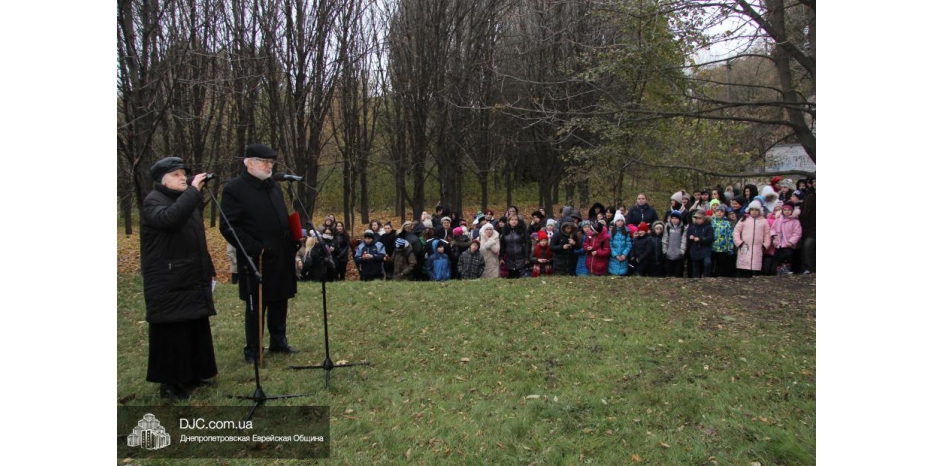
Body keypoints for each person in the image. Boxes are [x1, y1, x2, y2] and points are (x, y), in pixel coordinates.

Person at [141, 157, 217, 400]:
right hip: (168, 278)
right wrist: (194, 191)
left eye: (183, 173)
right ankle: (170, 383)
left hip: (191, 274)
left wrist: (207, 267)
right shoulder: (154, 201)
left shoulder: (186, 202)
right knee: (171, 331)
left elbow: (195, 238)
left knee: (194, 326)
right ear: (162, 180)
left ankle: (194, 372)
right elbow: (170, 220)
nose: (183, 177)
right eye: (175, 174)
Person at [220, 144, 301, 362]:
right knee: (257, 303)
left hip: (281, 252)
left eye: (271, 162)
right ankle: (253, 349)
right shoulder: (234, 189)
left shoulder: (272, 186)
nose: (269, 166)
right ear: (249, 162)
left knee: (280, 298)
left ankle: (278, 341)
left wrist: (293, 238)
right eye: (264, 161)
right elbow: (229, 226)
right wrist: (257, 248)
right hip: (257, 257)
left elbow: (281, 216)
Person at [733, 200, 772, 277]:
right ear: (749, 210)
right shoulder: (744, 219)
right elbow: (736, 231)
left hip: (758, 247)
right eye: (752, 210)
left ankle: (753, 275)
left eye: (756, 210)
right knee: (744, 264)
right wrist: (739, 242)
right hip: (744, 246)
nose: (754, 212)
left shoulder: (764, 221)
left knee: (755, 264)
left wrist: (765, 244)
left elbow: (767, 234)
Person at [686, 209, 714, 278]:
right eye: (696, 218)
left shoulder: (708, 227)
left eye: (699, 218)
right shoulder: (692, 227)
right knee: (695, 267)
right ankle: (696, 279)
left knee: (707, 263)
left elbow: (710, 238)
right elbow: (687, 236)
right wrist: (690, 237)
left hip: (705, 249)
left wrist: (700, 239)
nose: (698, 220)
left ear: (704, 219)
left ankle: (706, 276)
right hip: (695, 249)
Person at [710, 205, 735, 277]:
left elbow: (730, 236)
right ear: (715, 212)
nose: (719, 213)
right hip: (713, 247)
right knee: (712, 263)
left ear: (724, 213)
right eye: (717, 211)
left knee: (722, 264)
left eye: (721, 211)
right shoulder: (712, 222)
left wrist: (730, 248)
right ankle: (712, 275)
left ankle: (721, 276)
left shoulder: (727, 223)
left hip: (723, 248)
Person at [662, 211, 687, 277]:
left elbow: (683, 240)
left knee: (678, 272)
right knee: (669, 271)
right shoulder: (667, 227)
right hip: (669, 253)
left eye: (676, 218)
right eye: (672, 218)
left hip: (678, 254)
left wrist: (681, 251)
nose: (674, 220)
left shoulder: (683, 228)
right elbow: (665, 239)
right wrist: (665, 251)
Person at [799, 178, 816, 274]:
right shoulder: (810, 195)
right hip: (807, 227)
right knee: (806, 247)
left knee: (808, 245)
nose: (815, 184)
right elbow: (803, 208)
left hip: (814, 228)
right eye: (813, 182)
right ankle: (808, 268)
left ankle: (811, 268)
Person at [608, 211, 632, 276]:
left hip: (623, 258)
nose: (620, 222)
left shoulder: (626, 232)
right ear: (615, 222)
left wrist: (624, 254)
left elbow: (629, 244)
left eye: (621, 221)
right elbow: (609, 244)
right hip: (613, 258)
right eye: (618, 221)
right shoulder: (611, 232)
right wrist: (615, 255)